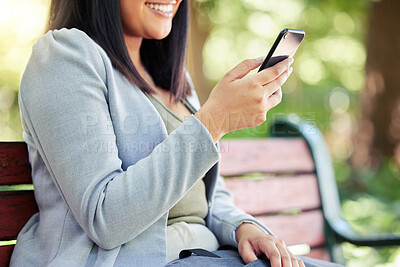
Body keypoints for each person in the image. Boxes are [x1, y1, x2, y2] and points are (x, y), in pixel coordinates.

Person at [10, 0, 342, 266]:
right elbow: (105, 218)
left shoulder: (173, 78)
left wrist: (243, 226)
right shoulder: (64, 56)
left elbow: (209, 196)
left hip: (210, 255)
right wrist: (213, 122)